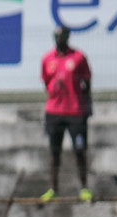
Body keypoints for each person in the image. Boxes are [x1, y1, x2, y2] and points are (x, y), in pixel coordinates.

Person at [40, 25, 93, 203]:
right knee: (54, 151)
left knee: (79, 150)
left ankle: (84, 188)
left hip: (76, 112)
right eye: (56, 37)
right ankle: (53, 188)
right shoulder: (47, 59)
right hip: (54, 112)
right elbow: (46, 82)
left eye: (62, 37)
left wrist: (85, 106)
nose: (59, 40)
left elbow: (87, 82)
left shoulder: (78, 57)